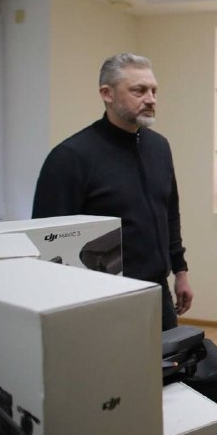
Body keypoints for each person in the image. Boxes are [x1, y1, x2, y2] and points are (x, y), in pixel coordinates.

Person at [32, 53, 193, 331]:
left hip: (158, 293)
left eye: (154, 91)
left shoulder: (159, 147)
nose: (151, 99)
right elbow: (48, 242)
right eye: (139, 90)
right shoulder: (71, 157)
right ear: (107, 94)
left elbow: (169, 214)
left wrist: (180, 270)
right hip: (102, 301)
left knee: (166, 361)